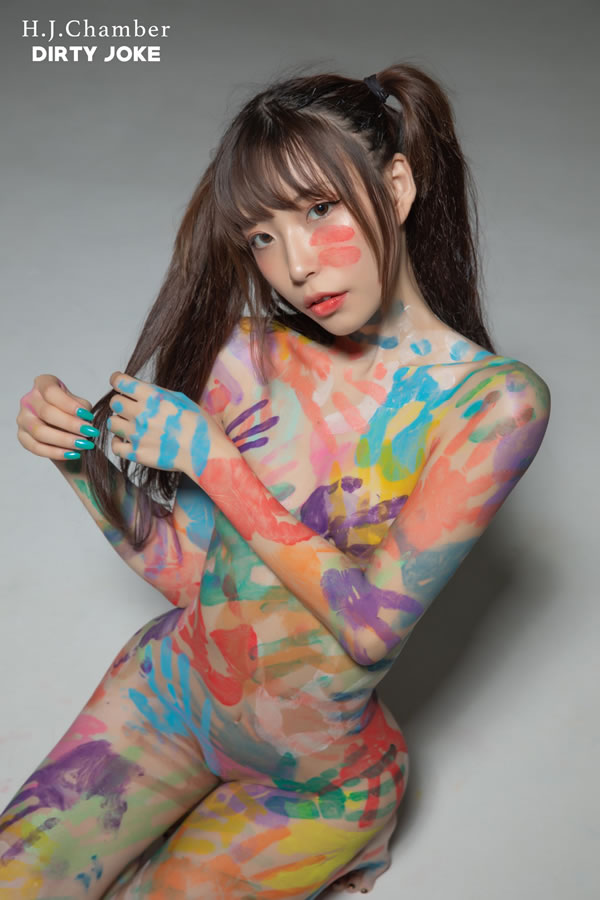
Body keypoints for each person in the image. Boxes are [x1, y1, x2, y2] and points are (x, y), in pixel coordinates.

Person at [2, 62, 550, 899]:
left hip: (313, 781)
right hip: (169, 697)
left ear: (396, 186)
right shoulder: (243, 354)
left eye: (319, 210)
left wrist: (215, 460)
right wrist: (79, 459)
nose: (294, 264)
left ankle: (357, 836)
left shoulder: (492, 406)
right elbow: (189, 575)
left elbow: (370, 628)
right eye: (261, 235)